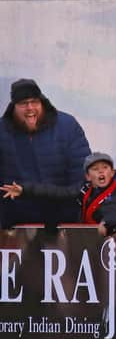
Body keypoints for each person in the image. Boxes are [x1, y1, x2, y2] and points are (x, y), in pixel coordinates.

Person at [0, 78, 91, 229]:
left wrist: (62, 213)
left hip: (62, 224)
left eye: (34, 101)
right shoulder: (2, 131)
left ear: (42, 102)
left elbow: (81, 180)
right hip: (14, 226)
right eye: (23, 103)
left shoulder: (67, 126)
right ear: (14, 106)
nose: (30, 108)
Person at [1, 152, 116, 236]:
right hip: (87, 247)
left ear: (112, 172)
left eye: (105, 168)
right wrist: (25, 190)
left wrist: (108, 222)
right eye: (95, 169)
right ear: (87, 176)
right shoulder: (84, 189)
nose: (101, 172)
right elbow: (56, 192)